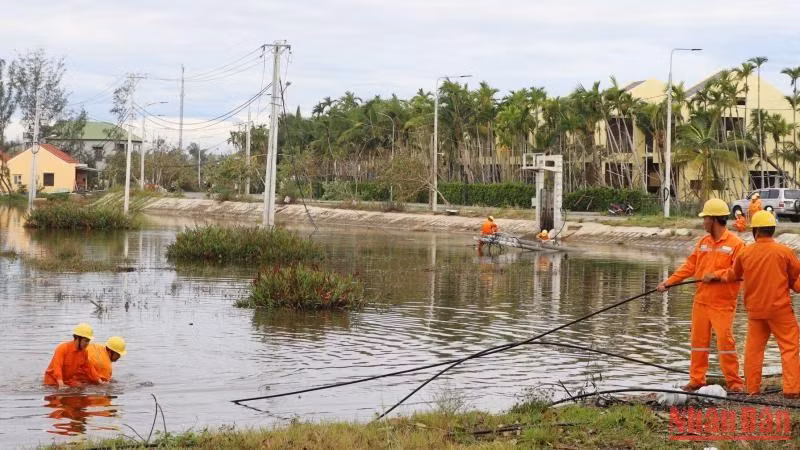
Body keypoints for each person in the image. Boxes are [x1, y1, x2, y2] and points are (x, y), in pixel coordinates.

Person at [703, 210, 800, 398]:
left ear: (755, 231)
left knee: (753, 351)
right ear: (772, 230)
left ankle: (752, 389)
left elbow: (732, 275)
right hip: (780, 311)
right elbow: (796, 279)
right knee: (789, 347)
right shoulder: (785, 252)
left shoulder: (745, 253)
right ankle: (792, 390)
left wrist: (714, 275)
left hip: (755, 312)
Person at [656, 199, 745, 393]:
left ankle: (735, 383)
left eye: (705, 218)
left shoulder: (736, 244)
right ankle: (696, 380)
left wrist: (716, 275)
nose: (703, 222)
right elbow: (689, 266)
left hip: (723, 303)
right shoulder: (703, 243)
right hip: (701, 301)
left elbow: (739, 272)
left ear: (714, 219)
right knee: (698, 343)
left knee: (725, 343)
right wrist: (669, 282)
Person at [44, 323, 94, 388]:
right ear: (77, 338)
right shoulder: (62, 348)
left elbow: (89, 368)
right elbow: (57, 366)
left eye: (88, 341)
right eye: (85, 341)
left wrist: (99, 381)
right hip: (53, 379)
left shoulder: (84, 352)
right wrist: (60, 383)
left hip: (67, 379)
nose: (87, 343)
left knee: (80, 387)